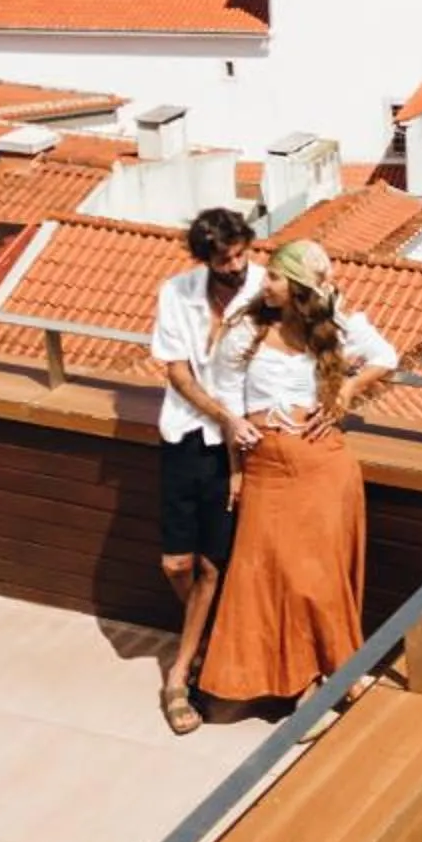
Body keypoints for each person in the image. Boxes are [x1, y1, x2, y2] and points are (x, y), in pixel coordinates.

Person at [199, 241, 400, 708]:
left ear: (299, 287)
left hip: (324, 464)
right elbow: (225, 402)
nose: (263, 283)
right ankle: (299, 679)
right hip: (267, 466)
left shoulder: (334, 327)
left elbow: (386, 357)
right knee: (272, 576)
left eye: (273, 277)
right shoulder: (244, 332)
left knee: (320, 577)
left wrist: (347, 387)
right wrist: (235, 468)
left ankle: (333, 676)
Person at [146, 209, 263, 735]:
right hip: (187, 434)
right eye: (225, 260)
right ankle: (206, 635)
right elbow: (175, 370)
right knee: (177, 565)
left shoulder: (266, 289)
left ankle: (178, 674)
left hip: (239, 447)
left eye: (241, 255)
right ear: (205, 259)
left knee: (213, 568)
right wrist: (224, 416)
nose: (236, 267)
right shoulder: (177, 292)